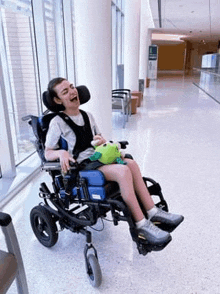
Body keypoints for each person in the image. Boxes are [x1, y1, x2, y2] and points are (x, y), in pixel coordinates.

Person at [44, 77, 184, 246]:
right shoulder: (57, 122)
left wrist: (101, 141)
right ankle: (141, 224)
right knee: (123, 171)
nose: (73, 91)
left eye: (72, 87)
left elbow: (98, 140)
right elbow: (47, 152)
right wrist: (61, 153)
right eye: (65, 91)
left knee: (131, 164)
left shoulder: (88, 116)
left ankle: (153, 211)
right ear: (58, 100)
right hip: (81, 168)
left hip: (98, 159)